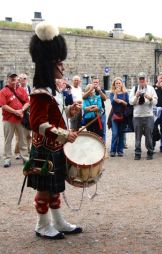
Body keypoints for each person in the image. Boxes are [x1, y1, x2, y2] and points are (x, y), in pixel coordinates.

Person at [27, 21, 83, 239]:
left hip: (55, 146)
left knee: (56, 187)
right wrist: (64, 134)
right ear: (51, 64)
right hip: (45, 149)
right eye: (60, 63)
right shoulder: (41, 91)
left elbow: (54, 115)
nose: (63, 67)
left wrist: (69, 110)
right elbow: (37, 123)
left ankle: (58, 222)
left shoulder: (53, 90)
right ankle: (42, 225)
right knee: (44, 189)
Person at [0, 72, 30, 167]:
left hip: (20, 118)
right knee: (8, 139)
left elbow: (27, 102)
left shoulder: (21, 90)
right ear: (7, 79)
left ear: (17, 79)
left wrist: (22, 110)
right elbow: (3, 105)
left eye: (14, 77)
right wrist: (15, 111)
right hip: (8, 119)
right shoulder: (3, 91)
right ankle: (7, 159)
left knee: (23, 139)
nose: (13, 79)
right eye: (11, 77)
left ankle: (25, 158)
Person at [129, 72, 157, 160]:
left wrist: (150, 98)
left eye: (143, 78)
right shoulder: (134, 89)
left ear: (146, 79)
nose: (142, 80)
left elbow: (155, 102)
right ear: (138, 80)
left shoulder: (151, 89)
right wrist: (136, 96)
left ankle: (150, 152)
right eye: (140, 79)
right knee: (138, 136)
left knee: (149, 135)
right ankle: (137, 153)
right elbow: (131, 102)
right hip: (137, 116)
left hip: (148, 116)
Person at [109, 77, 129, 157]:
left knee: (121, 133)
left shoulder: (125, 93)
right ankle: (113, 150)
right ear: (114, 85)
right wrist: (116, 94)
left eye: (119, 83)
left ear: (122, 84)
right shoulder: (112, 93)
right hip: (114, 116)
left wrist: (122, 101)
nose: (118, 84)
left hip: (123, 116)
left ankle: (120, 150)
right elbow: (113, 102)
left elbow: (127, 104)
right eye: (116, 83)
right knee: (114, 133)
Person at [84, 77, 108, 142]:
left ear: (99, 83)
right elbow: (83, 98)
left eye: (96, 82)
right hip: (90, 116)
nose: (95, 84)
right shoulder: (89, 89)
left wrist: (99, 91)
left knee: (102, 131)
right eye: (94, 82)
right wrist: (90, 90)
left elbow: (105, 99)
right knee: (91, 132)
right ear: (92, 83)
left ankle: (103, 145)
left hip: (101, 114)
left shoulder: (101, 90)